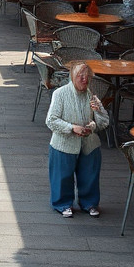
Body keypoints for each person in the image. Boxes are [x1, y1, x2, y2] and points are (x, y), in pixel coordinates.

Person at [45, 60, 109, 218]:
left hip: (88, 143)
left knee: (90, 175)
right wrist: (72, 128)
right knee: (62, 176)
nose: (84, 79)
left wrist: (98, 112)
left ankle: (90, 203)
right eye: (80, 76)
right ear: (72, 77)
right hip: (64, 143)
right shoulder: (60, 94)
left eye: (87, 76)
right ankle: (62, 204)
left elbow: (103, 123)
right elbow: (51, 120)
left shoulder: (91, 95)